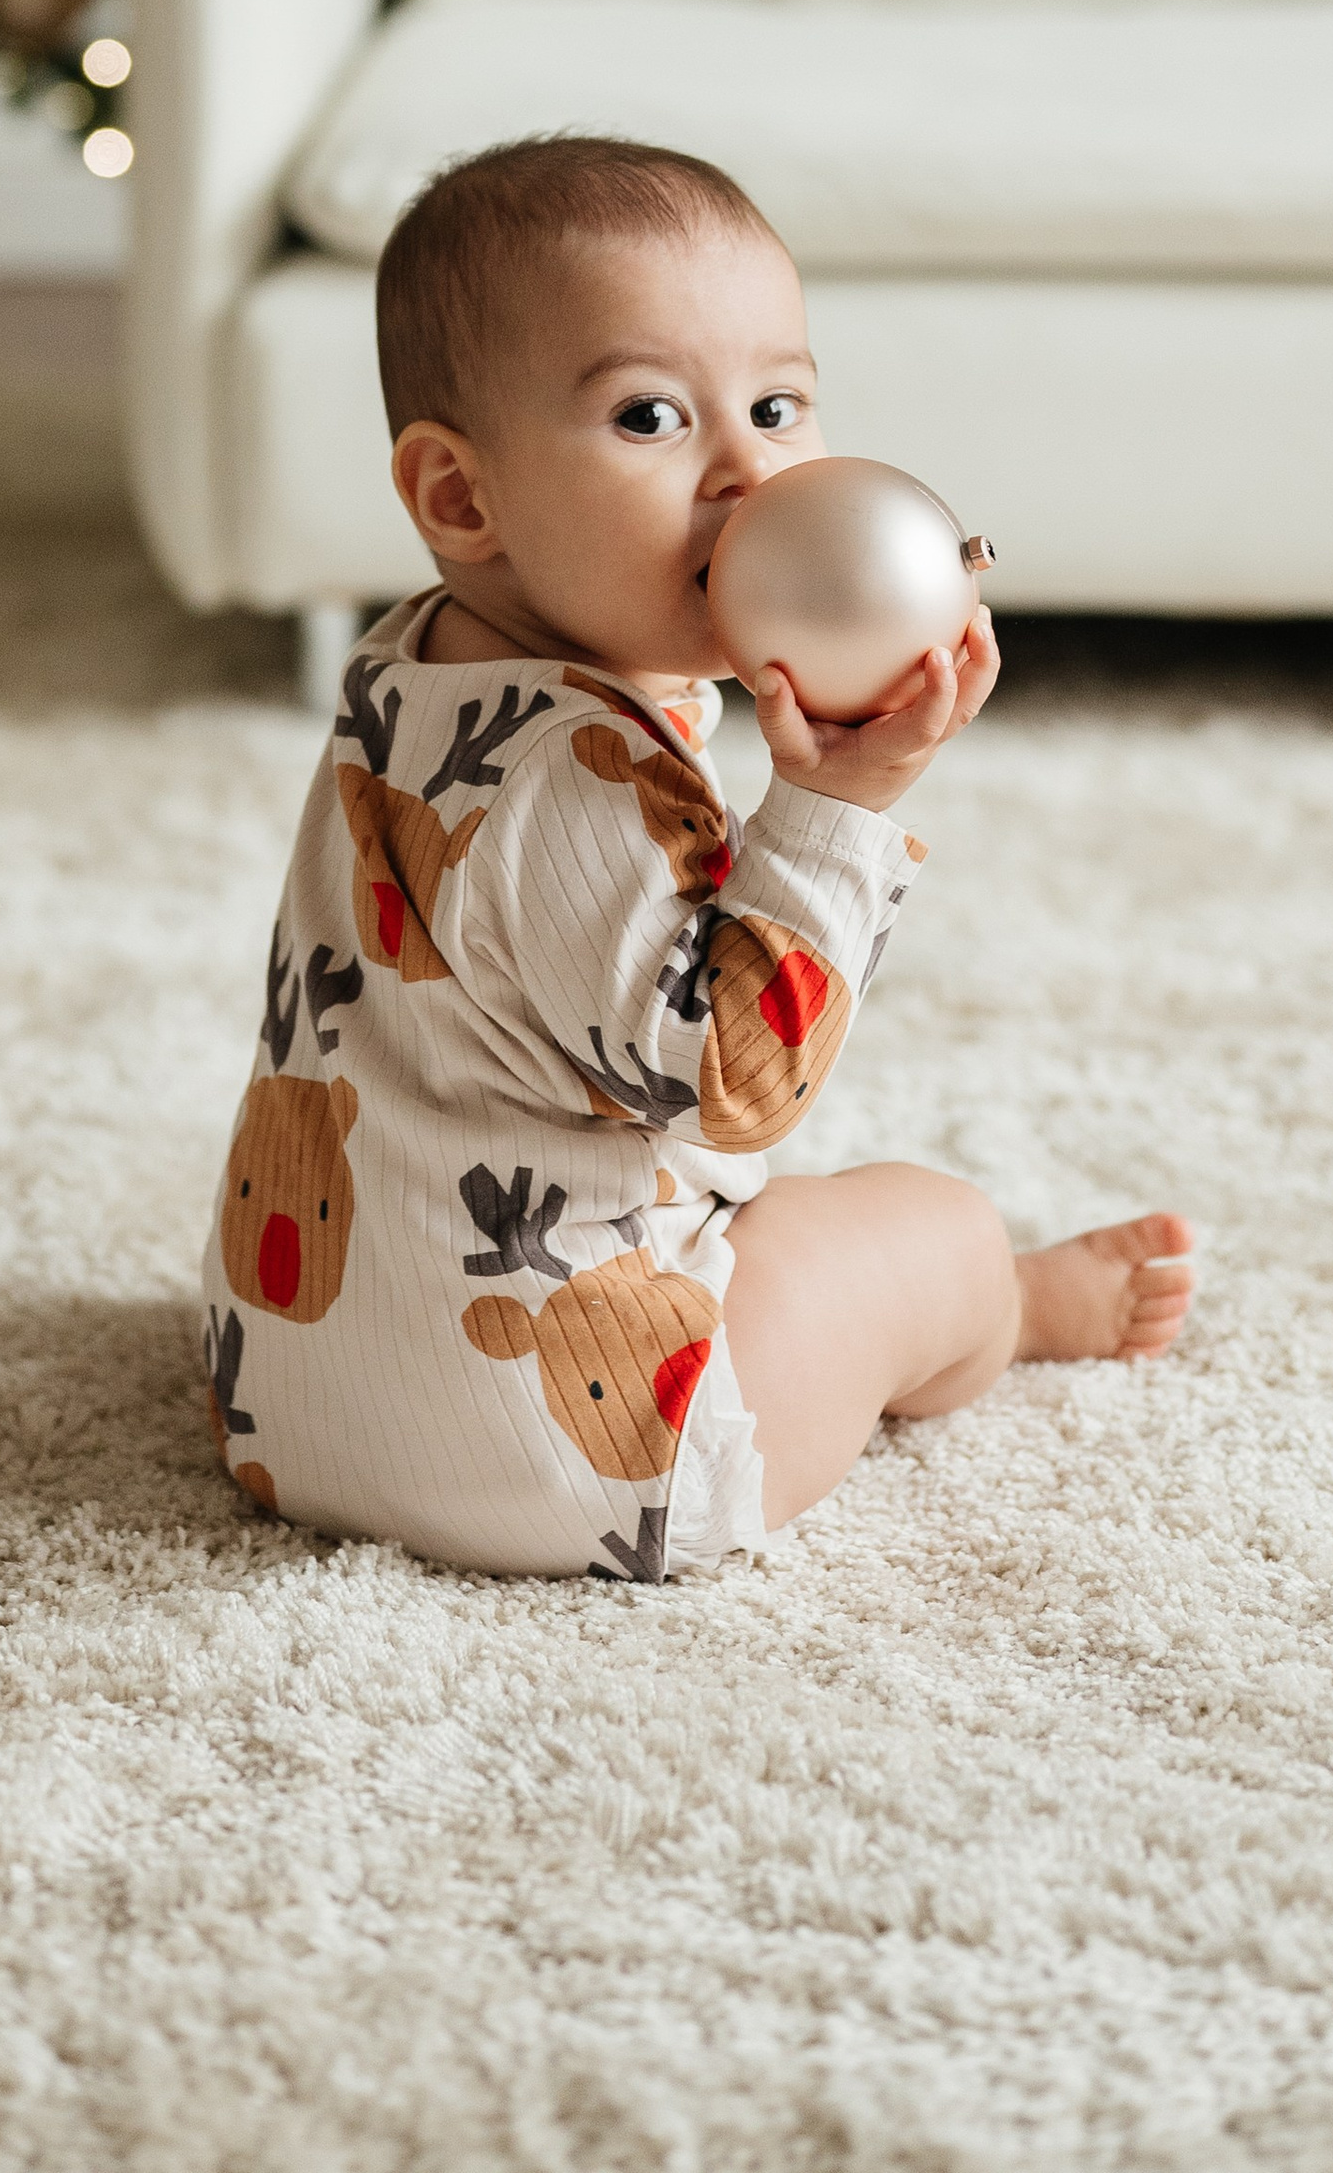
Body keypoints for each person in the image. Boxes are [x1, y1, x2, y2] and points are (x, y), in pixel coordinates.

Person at [201, 134, 1195, 1582]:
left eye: (779, 405)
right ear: (465, 499)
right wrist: (841, 806)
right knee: (923, 1226)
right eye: (653, 416)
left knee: (778, 1216)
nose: (749, 474)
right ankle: (1016, 1309)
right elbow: (731, 1089)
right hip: (579, 1450)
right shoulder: (576, 780)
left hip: (291, 1392)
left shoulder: (416, 669)